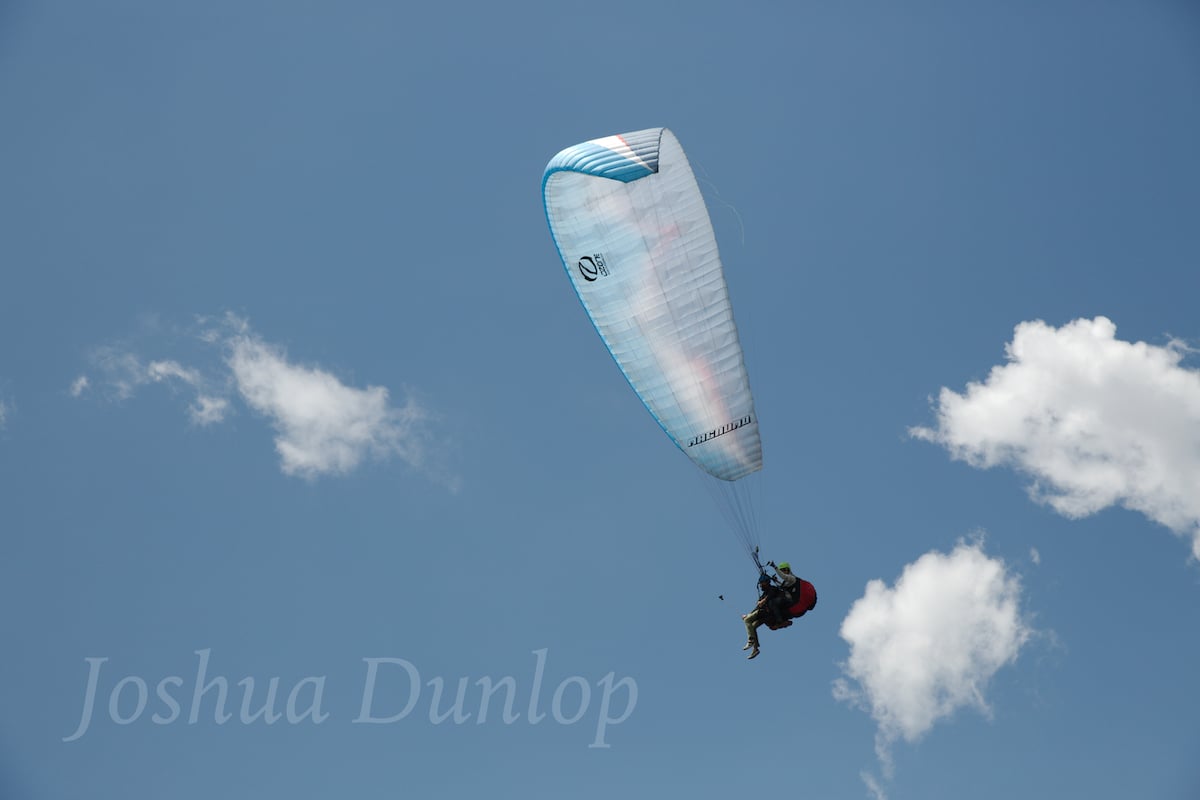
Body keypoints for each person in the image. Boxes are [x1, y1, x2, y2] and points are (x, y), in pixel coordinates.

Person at [741, 573, 785, 660]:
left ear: (767, 582)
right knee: (752, 626)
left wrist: (763, 601)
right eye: (760, 584)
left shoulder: (772, 589)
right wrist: (749, 614)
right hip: (765, 615)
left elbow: (771, 595)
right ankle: (755, 649)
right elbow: (757, 607)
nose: (760, 585)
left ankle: (751, 640)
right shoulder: (764, 594)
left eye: (762, 583)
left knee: (747, 621)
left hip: (768, 613)